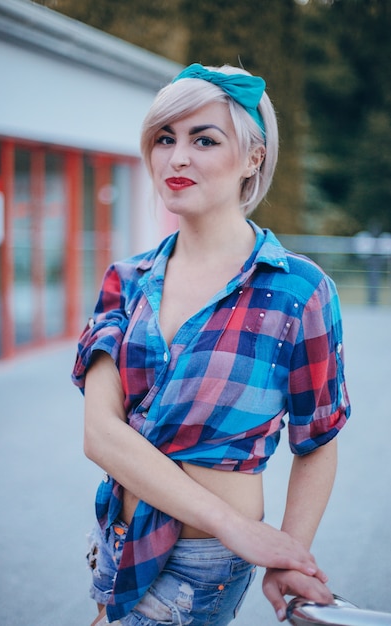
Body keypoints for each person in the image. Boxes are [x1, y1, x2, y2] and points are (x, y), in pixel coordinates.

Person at [72, 63, 351, 626]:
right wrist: (241, 528)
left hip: (203, 563)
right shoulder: (126, 280)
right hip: (121, 538)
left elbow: (317, 438)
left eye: (204, 139)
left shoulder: (298, 290)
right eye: (164, 139)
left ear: (254, 156)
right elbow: (101, 435)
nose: (177, 158)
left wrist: (286, 556)